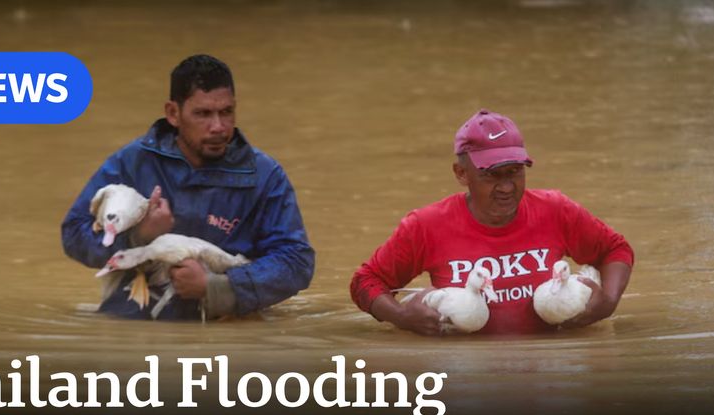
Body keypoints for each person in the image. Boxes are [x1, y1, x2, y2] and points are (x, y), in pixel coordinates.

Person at [62, 54, 314, 320]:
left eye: (226, 112)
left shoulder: (265, 175)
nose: (218, 127)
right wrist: (137, 237)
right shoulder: (131, 163)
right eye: (203, 114)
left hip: (223, 326)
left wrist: (218, 288)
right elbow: (73, 234)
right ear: (173, 113)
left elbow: (296, 262)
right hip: (133, 319)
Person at [350, 109, 633, 336]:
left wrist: (607, 303)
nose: (507, 187)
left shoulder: (555, 210)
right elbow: (366, 281)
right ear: (462, 173)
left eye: (515, 172)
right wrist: (401, 316)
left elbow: (615, 250)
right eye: (491, 175)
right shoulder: (427, 225)